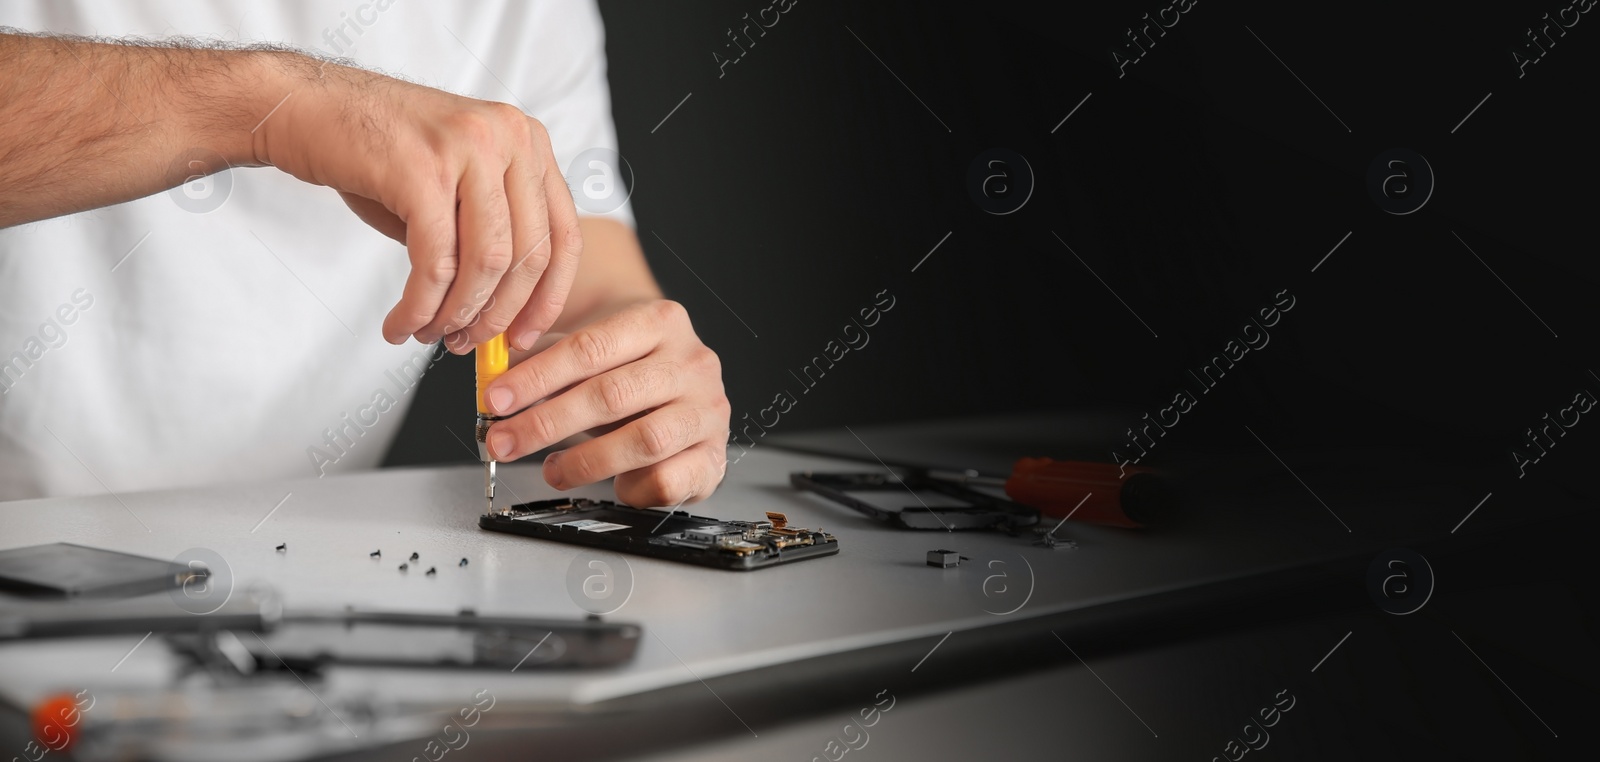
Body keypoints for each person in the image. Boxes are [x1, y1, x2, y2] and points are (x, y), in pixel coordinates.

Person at [0, 1, 730, 509]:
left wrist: (647, 386)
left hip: (293, 583)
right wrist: (264, 105)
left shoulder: (530, 10)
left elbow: (588, 285)